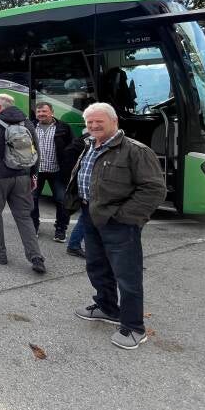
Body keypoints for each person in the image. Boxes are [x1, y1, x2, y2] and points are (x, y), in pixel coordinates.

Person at [66, 102, 165, 350]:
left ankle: (134, 327)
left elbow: (153, 189)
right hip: (91, 215)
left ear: (114, 121)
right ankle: (107, 307)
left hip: (119, 223)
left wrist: (124, 217)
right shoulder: (90, 145)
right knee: (97, 266)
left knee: (127, 276)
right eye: (89, 122)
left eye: (99, 121)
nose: (93, 126)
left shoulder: (135, 150)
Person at [0, 94, 46, 274]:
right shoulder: (27, 123)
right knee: (24, 216)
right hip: (23, 176)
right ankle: (36, 257)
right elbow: (36, 150)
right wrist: (34, 174)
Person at [29, 102, 73, 239]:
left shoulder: (64, 127)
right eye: (38, 112)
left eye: (44, 111)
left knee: (61, 200)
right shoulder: (30, 126)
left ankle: (60, 229)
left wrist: (68, 166)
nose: (41, 114)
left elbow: (72, 148)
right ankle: (33, 226)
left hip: (57, 171)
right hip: (36, 171)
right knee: (32, 199)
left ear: (52, 112)